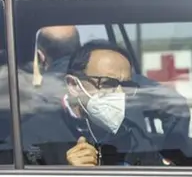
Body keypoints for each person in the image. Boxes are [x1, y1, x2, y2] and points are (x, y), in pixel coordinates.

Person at [21, 40, 174, 166]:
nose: (120, 94)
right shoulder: (34, 136)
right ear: (73, 85)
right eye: (107, 84)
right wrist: (66, 176)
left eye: (126, 86)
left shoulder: (132, 134)